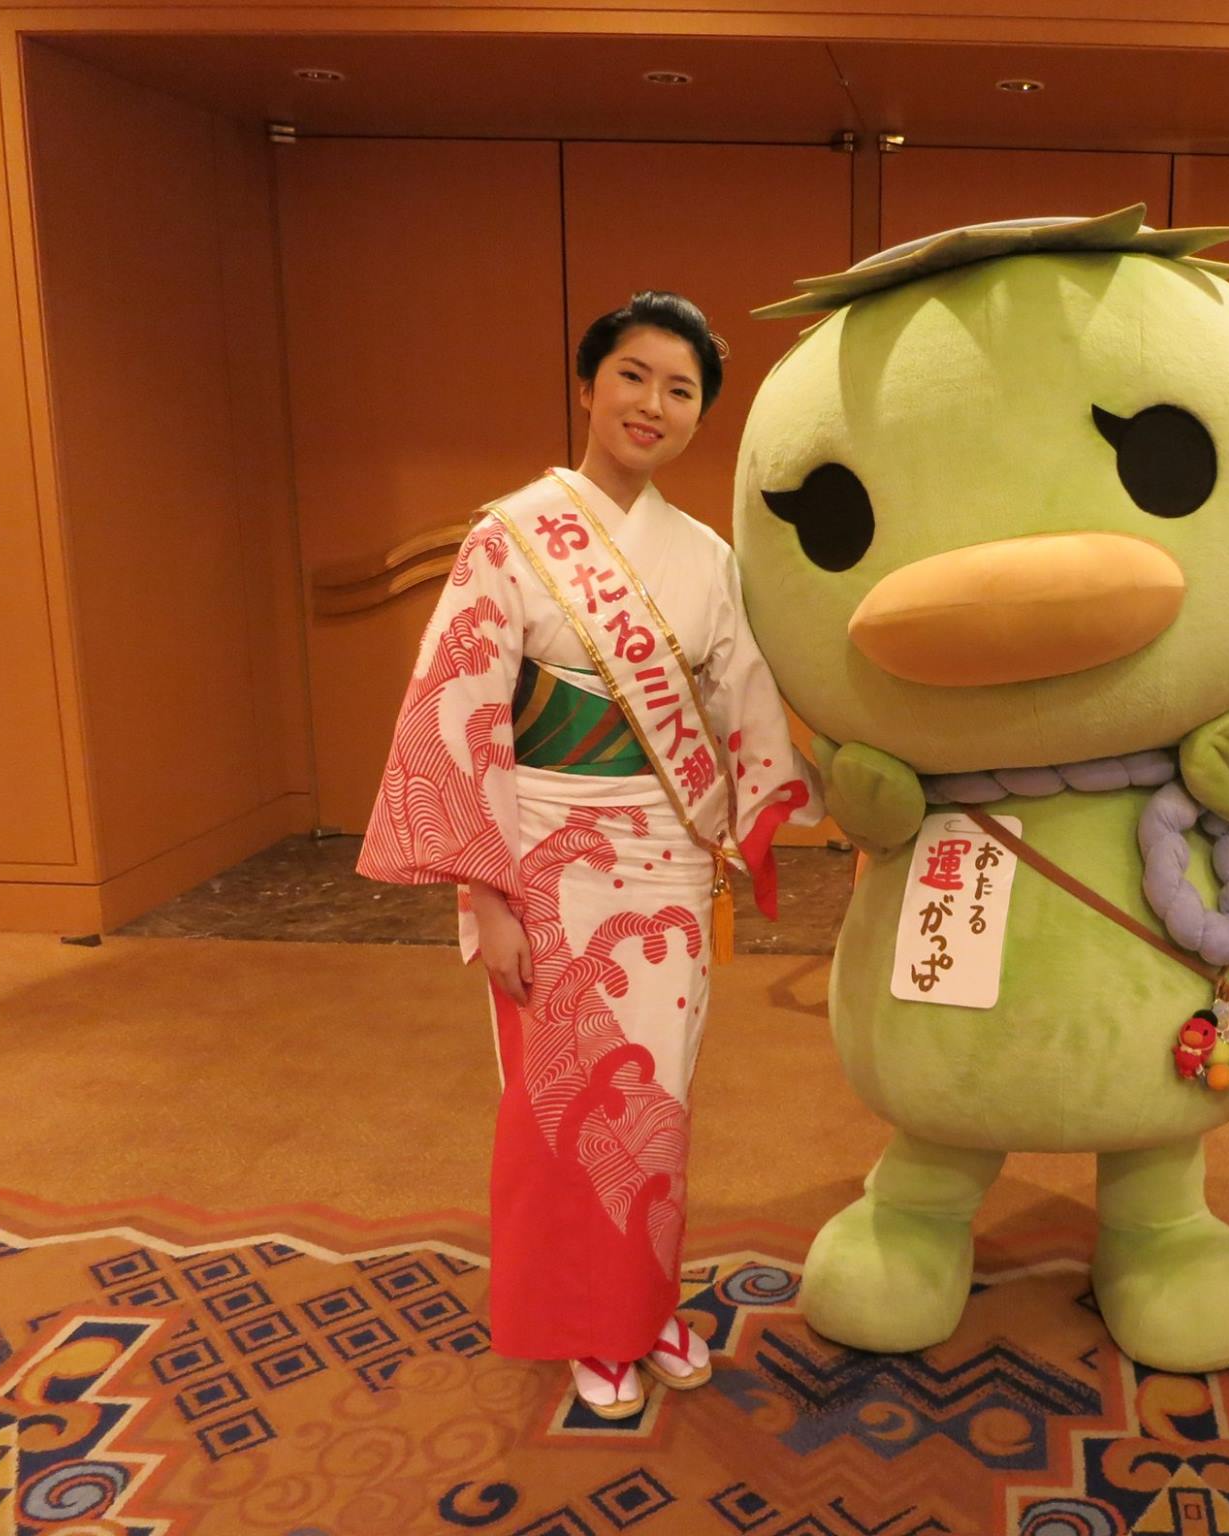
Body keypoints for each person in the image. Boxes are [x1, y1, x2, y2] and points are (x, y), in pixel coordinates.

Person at [358, 291, 821, 1418]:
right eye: (632, 375)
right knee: (565, 1113)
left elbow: (742, 697)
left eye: (680, 389)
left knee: (655, 1103)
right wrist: (491, 896)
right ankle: (585, 1325)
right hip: (545, 864)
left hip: (662, 868)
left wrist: (770, 804)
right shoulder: (507, 538)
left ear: (699, 414)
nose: (651, 404)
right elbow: (460, 715)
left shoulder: (706, 559)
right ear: (586, 385)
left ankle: (644, 1307)